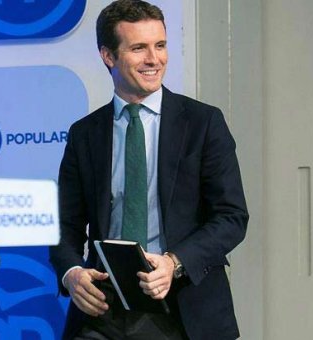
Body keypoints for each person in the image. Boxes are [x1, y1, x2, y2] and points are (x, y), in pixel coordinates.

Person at [49, 0, 249, 339]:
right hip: (103, 307)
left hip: (183, 306)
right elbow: (62, 225)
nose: (154, 59)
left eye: (160, 45)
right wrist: (71, 272)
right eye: (139, 48)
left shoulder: (203, 123)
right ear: (108, 56)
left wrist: (174, 262)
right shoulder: (85, 134)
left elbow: (231, 217)